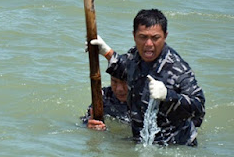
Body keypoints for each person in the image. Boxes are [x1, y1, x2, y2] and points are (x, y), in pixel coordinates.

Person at [90, 9, 205, 146]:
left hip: (175, 146)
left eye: (155, 38)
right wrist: (105, 51)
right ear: (134, 36)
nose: (149, 44)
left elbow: (199, 107)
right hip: (141, 141)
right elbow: (125, 68)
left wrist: (168, 95)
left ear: (165, 36)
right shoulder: (135, 55)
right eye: (143, 37)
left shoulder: (178, 69)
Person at [81, 58, 129, 130]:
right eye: (114, 81)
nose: (119, 89)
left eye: (125, 82)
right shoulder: (104, 96)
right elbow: (84, 121)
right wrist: (89, 124)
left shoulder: (145, 98)